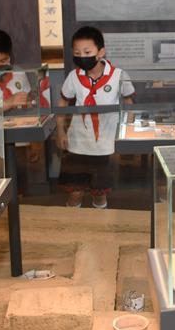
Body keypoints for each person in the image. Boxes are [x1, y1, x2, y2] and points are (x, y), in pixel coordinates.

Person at [56, 26, 134, 208]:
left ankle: (101, 224)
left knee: (100, 195)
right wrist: (60, 131)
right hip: (77, 144)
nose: (82, 56)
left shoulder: (119, 75)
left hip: (105, 146)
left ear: (101, 52)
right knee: (75, 193)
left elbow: (129, 103)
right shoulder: (73, 76)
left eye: (87, 52)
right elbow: (63, 103)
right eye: (77, 53)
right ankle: (72, 224)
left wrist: (126, 133)